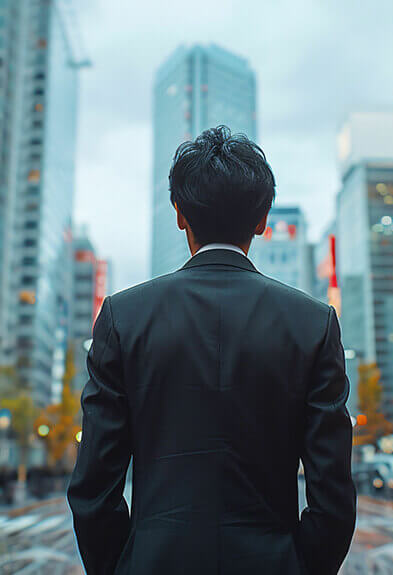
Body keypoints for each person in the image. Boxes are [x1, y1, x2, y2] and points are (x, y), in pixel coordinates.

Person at [67, 126, 357, 575]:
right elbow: (333, 493)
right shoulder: (313, 323)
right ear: (262, 220)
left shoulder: (124, 318)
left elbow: (93, 488)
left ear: (179, 213)